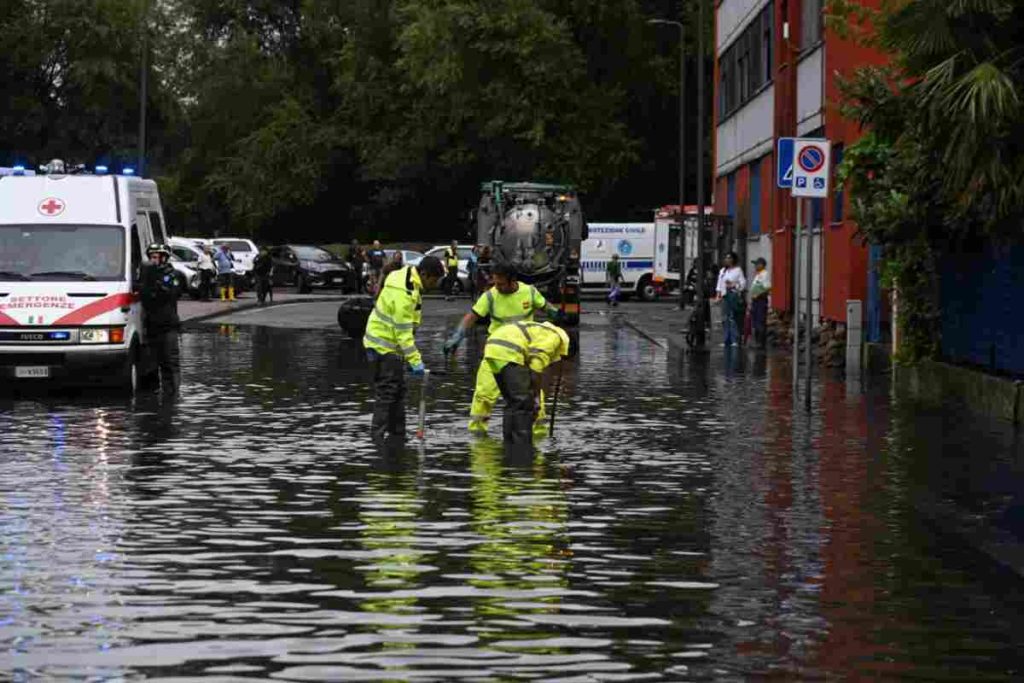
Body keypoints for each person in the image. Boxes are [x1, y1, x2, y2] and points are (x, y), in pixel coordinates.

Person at [443, 261, 563, 435]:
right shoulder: (490, 296)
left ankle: (538, 431)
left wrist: (557, 314)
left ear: (512, 281)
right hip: (496, 352)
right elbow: (472, 316)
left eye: (500, 284)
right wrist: (457, 336)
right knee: (483, 393)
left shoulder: (529, 292)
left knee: (533, 393)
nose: (496, 287)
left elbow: (546, 307)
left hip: (524, 353)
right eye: (495, 283)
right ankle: (478, 432)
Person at [363, 255, 445, 442]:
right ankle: (377, 440)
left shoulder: (406, 278)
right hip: (384, 346)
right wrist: (416, 362)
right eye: (434, 280)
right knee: (388, 393)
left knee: (398, 392)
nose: (435, 284)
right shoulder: (405, 293)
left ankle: (397, 437)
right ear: (424, 274)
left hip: (385, 345)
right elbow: (403, 334)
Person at [481, 321, 570, 445]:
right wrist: (536, 398)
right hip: (508, 351)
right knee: (523, 403)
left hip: (493, 349)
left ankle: (509, 444)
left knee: (513, 403)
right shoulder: (554, 338)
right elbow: (536, 368)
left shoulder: (541, 331)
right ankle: (522, 447)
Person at [140, 244, 182, 394]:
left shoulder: (172, 274)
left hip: (168, 325)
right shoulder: (145, 275)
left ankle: (172, 395)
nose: (153, 260)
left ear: (164, 258)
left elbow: (173, 293)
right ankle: (151, 400)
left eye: (156, 257)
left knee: (170, 362)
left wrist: (158, 286)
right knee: (150, 366)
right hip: (151, 326)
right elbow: (144, 296)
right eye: (151, 257)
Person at [715, 251, 747, 348]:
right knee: (724, 318)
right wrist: (718, 295)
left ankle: (735, 339)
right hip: (725, 296)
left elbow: (743, 284)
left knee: (733, 318)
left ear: (733, 259)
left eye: (729, 258)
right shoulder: (723, 271)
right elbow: (719, 284)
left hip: (733, 295)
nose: (727, 260)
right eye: (726, 258)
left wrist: (734, 285)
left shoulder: (738, 270)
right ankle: (726, 339)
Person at [749, 257, 771, 348]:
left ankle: (760, 343)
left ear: (762, 265)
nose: (755, 266)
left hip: (760, 300)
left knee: (760, 321)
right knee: (755, 321)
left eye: (757, 264)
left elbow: (767, 288)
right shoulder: (758, 274)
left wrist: (758, 295)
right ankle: (757, 341)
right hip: (756, 301)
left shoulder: (764, 274)